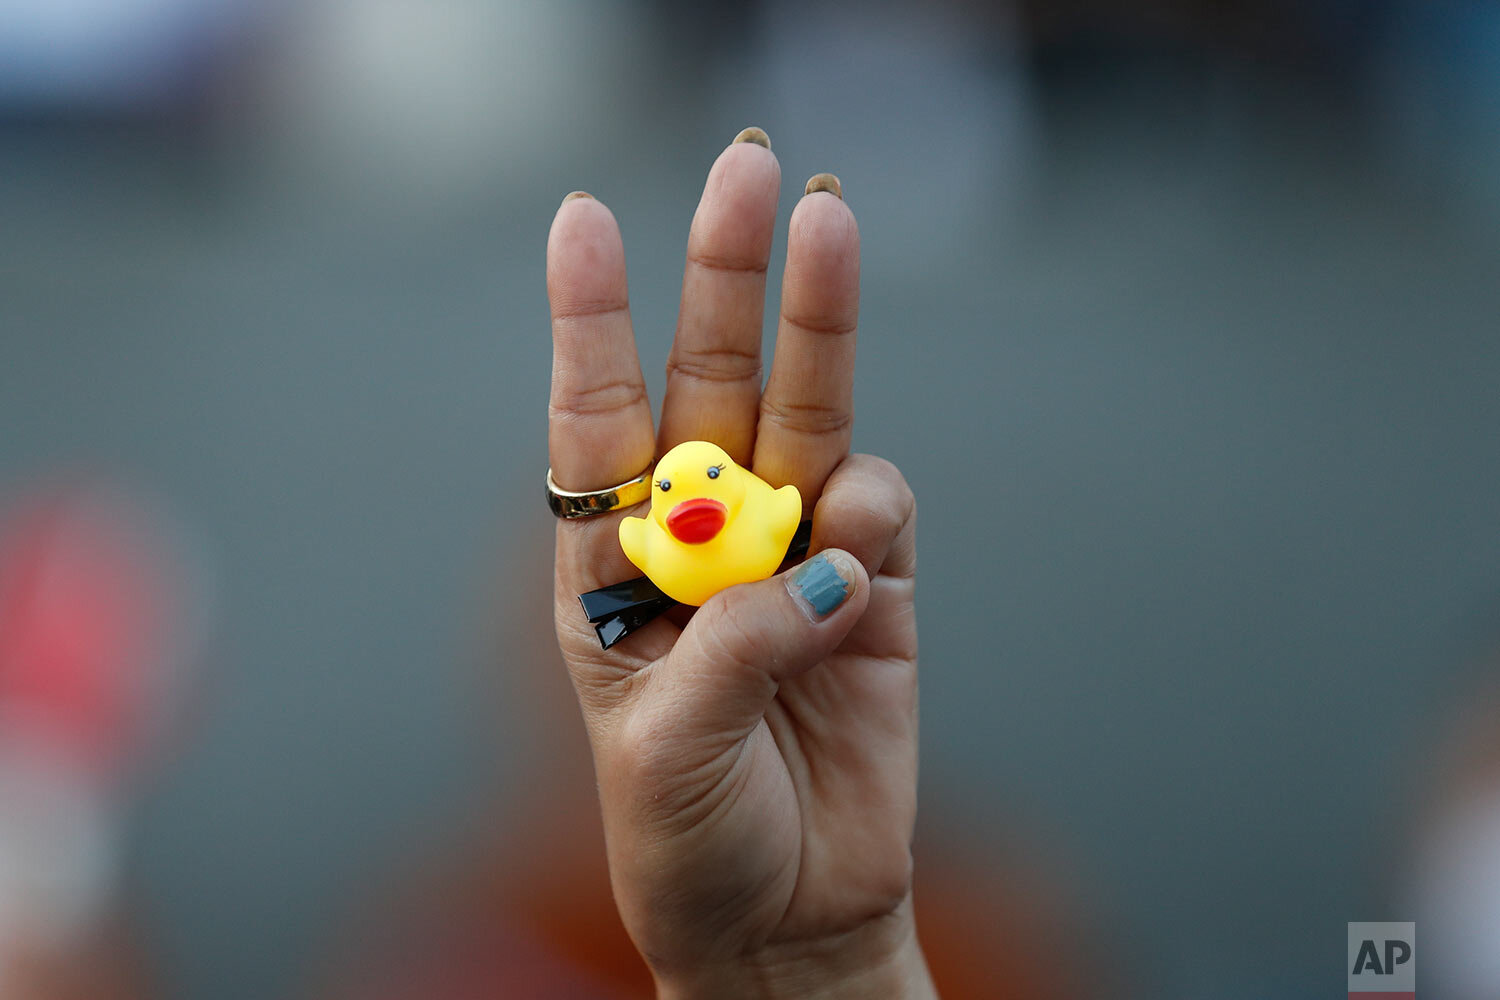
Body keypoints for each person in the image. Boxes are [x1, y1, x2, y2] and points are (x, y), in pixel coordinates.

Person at [542, 125, 932, 998]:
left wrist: (837, 966)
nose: (694, 499)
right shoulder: (491, 939)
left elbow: (783, 508)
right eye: (675, 492)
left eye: (708, 476)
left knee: (859, 510)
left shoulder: (766, 512)